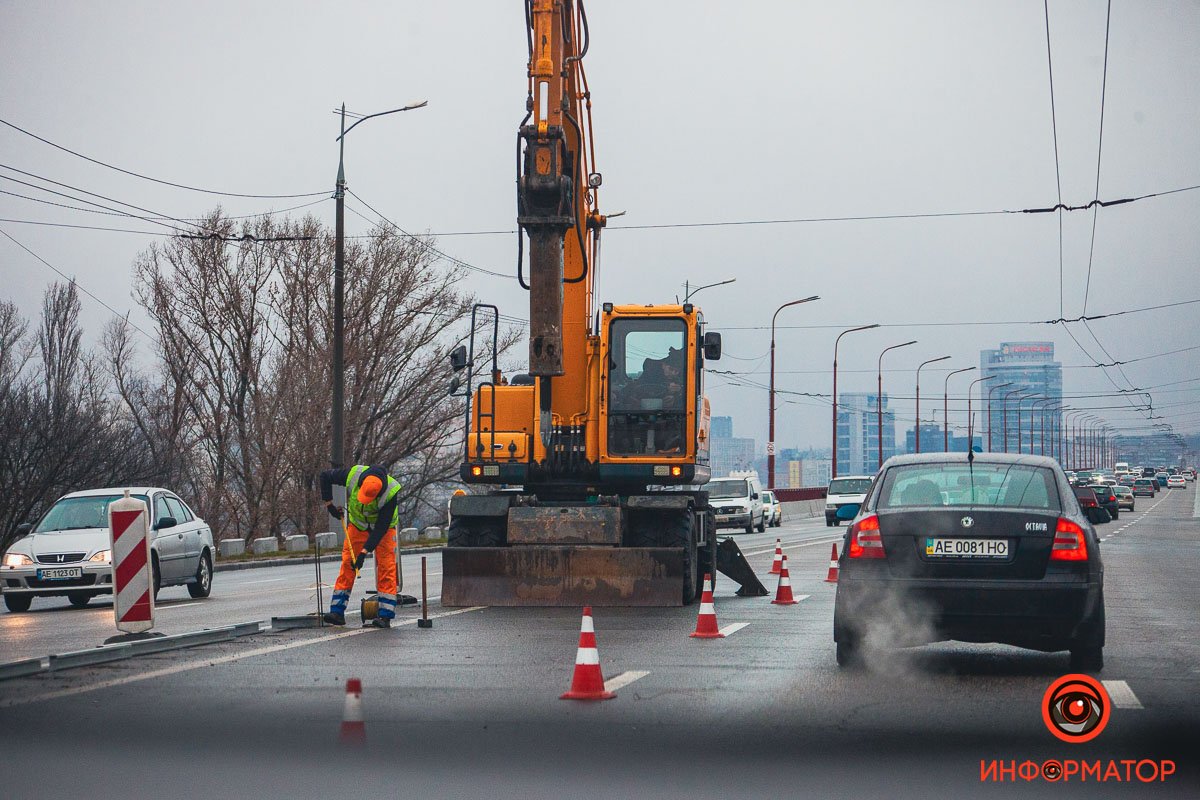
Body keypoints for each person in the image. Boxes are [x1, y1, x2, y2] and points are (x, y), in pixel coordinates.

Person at [319, 464, 403, 628]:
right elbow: (325, 476)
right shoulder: (353, 475)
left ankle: (385, 616)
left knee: (386, 567)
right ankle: (337, 612)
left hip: (384, 530)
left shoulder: (391, 492)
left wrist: (364, 553)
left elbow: (380, 529)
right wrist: (329, 505)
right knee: (348, 563)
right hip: (357, 526)